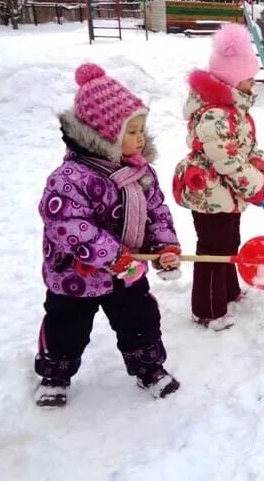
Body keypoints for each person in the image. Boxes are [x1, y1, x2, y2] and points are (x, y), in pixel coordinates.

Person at [35, 63, 181, 407]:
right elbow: (68, 226)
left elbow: (157, 211)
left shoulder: (141, 173)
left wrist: (164, 246)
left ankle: (149, 367)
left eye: (142, 129)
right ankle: (55, 375)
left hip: (127, 273)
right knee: (66, 327)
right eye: (132, 131)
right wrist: (113, 256)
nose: (141, 138)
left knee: (140, 318)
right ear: (104, 134)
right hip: (74, 275)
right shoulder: (69, 179)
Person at [173, 24, 264, 331]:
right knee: (213, 252)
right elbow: (227, 161)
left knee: (228, 243)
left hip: (226, 193)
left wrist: (261, 167)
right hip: (211, 194)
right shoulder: (216, 114)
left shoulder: (232, 109)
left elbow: (246, 147)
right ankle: (208, 310)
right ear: (231, 78)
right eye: (248, 79)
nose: (252, 86)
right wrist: (253, 185)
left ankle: (227, 292)